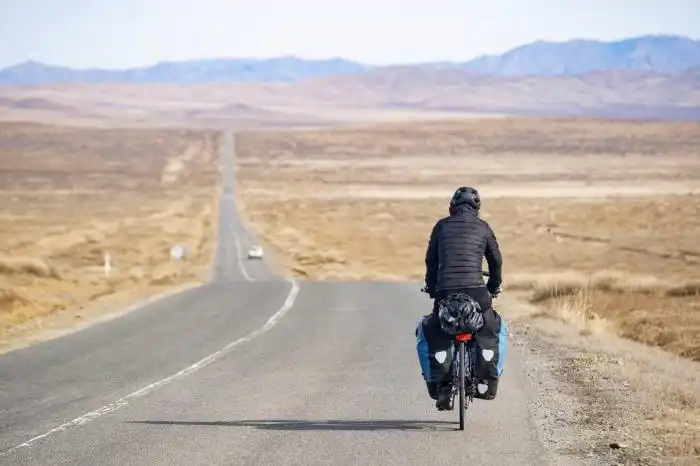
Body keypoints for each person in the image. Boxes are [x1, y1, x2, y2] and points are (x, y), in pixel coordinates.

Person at [423, 186, 503, 410]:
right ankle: (487, 380)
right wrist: (493, 287)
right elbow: (496, 261)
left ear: (452, 207)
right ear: (477, 208)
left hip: (446, 291)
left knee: (437, 328)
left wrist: (432, 288)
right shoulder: (483, 227)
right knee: (490, 326)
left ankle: (443, 386)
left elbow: (431, 261)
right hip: (477, 290)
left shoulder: (441, 226)